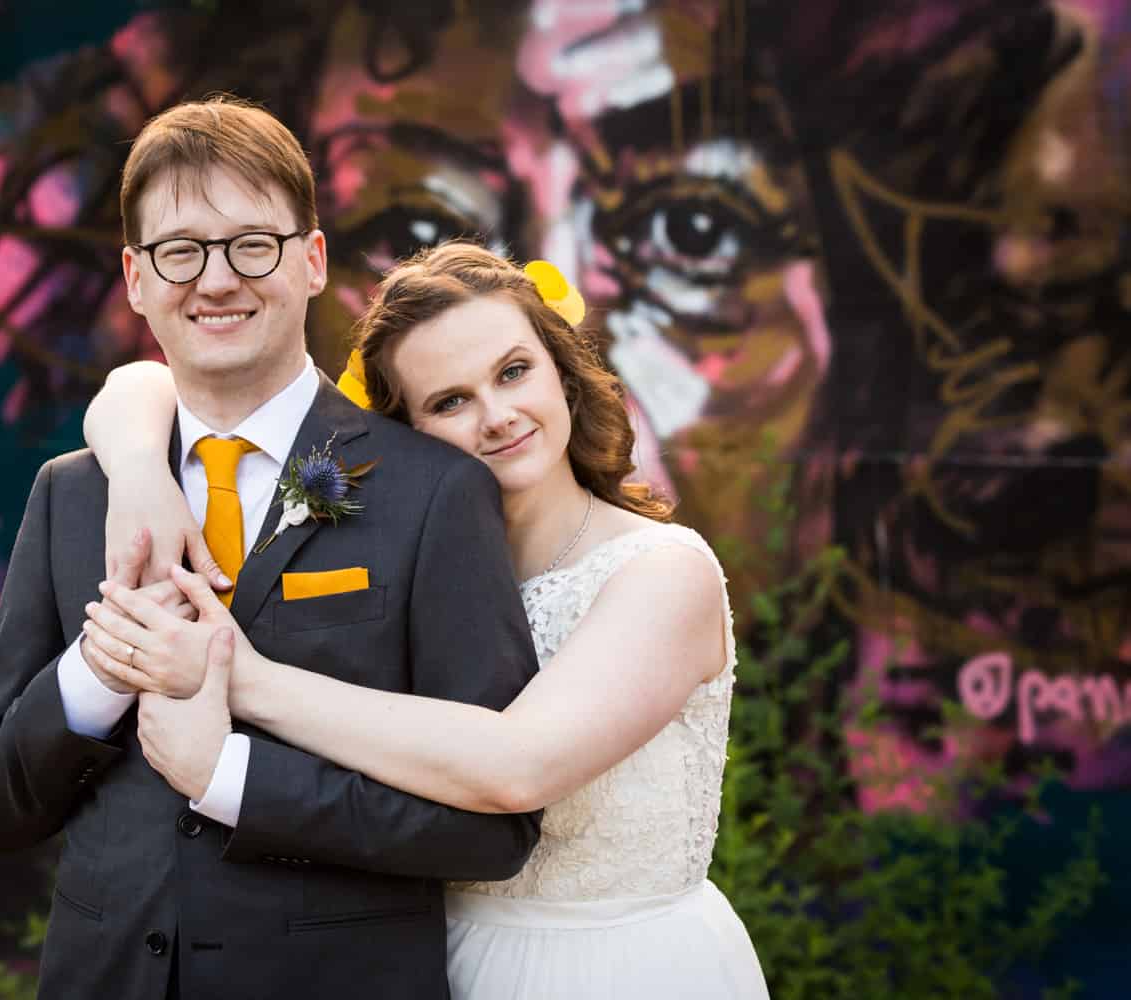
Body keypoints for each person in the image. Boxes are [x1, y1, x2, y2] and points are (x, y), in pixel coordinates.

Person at [0, 99, 542, 999]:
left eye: (251, 245)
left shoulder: (434, 492)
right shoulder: (76, 493)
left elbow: (493, 830)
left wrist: (234, 781)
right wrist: (94, 677)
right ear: (136, 278)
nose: (216, 280)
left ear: (311, 261)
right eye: (180, 251)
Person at [82, 241, 770, 998]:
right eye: (450, 401)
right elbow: (141, 386)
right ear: (404, 434)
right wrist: (142, 461)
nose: (498, 416)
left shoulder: (665, 572)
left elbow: (519, 767)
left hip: (620, 969)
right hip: (435, 962)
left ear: (561, 371)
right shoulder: (413, 573)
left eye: (514, 372)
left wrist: (244, 678)